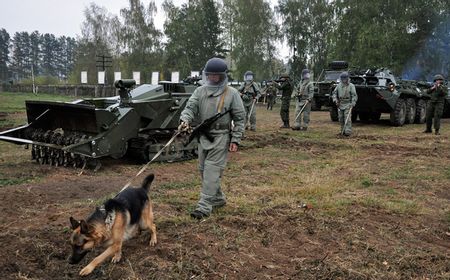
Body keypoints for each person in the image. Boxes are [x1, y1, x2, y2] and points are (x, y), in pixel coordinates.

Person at [179, 57, 246, 219]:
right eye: (209, 75)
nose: (212, 78)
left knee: (211, 170)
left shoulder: (232, 94)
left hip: (222, 137)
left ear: (223, 76)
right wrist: (185, 120)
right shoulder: (199, 91)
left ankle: (204, 207)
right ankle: (218, 198)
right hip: (204, 136)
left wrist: (236, 139)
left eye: (215, 75)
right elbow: (190, 107)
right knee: (203, 169)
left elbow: (240, 118)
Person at [332, 71, 357, 136]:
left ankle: (347, 132)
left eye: (345, 78)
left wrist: (353, 103)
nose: (343, 80)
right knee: (341, 118)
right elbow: (334, 93)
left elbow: (354, 95)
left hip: (348, 104)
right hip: (340, 104)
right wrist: (335, 100)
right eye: (342, 78)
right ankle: (342, 130)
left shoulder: (351, 86)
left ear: (347, 78)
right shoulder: (338, 85)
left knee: (347, 118)